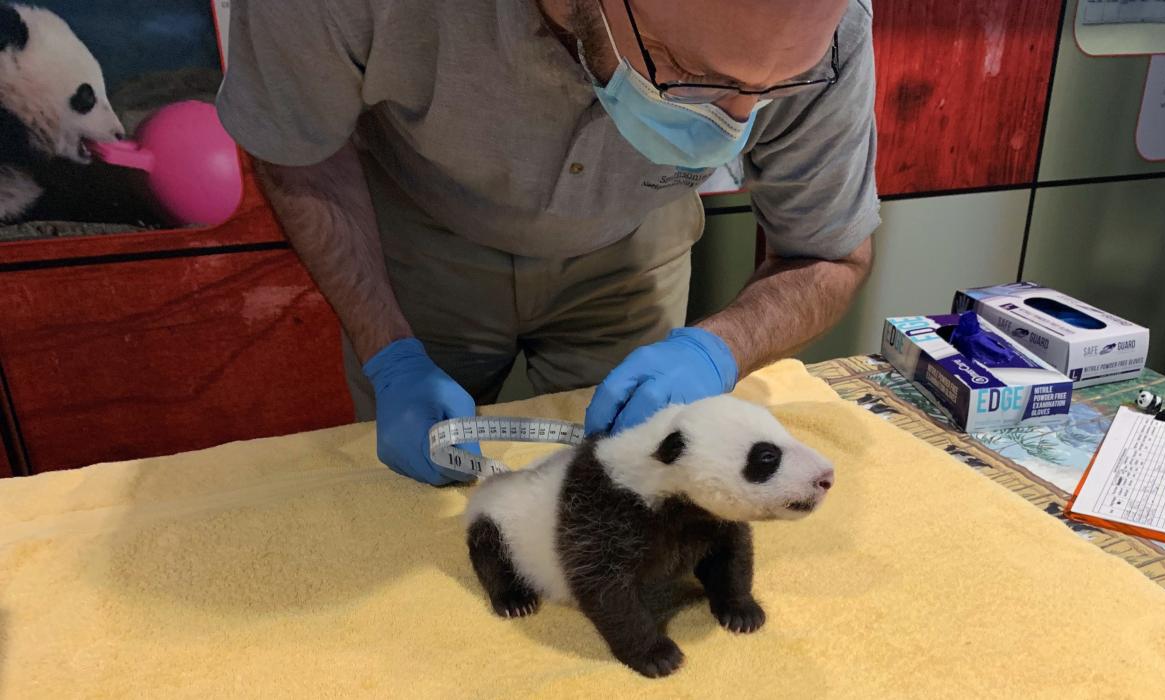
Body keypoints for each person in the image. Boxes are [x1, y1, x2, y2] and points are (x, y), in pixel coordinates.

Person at [215, 0, 880, 485]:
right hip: (419, 234)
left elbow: (830, 252)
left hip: (635, 233)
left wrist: (718, 349)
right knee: (410, 503)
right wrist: (388, 353)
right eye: (686, 73)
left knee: (629, 492)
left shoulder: (828, 25)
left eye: (773, 91)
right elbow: (297, 149)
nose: (731, 128)